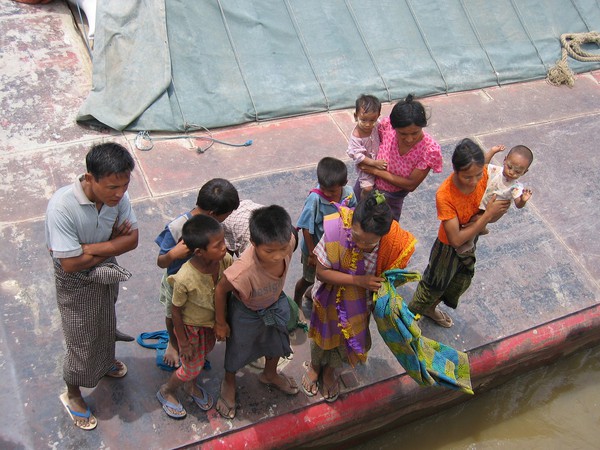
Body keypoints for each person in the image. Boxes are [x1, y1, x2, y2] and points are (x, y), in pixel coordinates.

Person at [45, 142, 138, 430]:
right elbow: (69, 265)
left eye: (124, 185)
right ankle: (73, 394)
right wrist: (111, 244)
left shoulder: (117, 197)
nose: (120, 193)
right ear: (89, 178)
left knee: (106, 319)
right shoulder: (62, 207)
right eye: (112, 187)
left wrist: (89, 248)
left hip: (103, 273)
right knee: (81, 341)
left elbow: (133, 240)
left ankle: (106, 362)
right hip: (75, 284)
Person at [302, 191, 417, 402]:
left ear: (383, 235)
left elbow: (391, 279)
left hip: (360, 306)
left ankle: (330, 372)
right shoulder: (336, 230)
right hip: (329, 296)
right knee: (322, 335)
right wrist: (359, 281)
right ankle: (316, 366)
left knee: (344, 340)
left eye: (369, 243)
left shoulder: (393, 245)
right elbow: (322, 272)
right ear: (351, 223)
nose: (361, 246)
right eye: (356, 237)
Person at [408, 138, 511, 328]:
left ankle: (430, 309)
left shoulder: (484, 176)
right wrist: (487, 216)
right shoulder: (445, 195)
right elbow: (455, 239)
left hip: (471, 238)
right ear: (455, 170)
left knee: (458, 281)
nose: (474, 182)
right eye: (467, 177)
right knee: (433, 285)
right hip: (447, 248)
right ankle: (407, 322)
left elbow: (491, 173)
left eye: (478, 175)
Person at [214, 205, 299, 419]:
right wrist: (221, 322)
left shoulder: (289, 242)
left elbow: (288, 243)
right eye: (269, 251)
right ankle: (229, 381)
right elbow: (220, 290)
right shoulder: (243, 271)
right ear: (254, 243)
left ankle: (269, 374)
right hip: (246, 311)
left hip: (274, 302)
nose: (278, 256)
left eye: (282, 248)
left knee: (277, 340)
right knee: (238, 349)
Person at [155, 178, 239, 368]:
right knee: (173, 314)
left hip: (202, 282)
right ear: (212, 214)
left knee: (198, 314)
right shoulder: (177, 227)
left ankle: (196, 339)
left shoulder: (215, 226)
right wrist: (172, 254)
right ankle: (174, 344)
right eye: (226, 215)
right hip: (176, 282)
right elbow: (161, 262)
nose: (226, 219)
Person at [156, 215, 232, 419]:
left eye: (223, 241)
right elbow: (176, 312)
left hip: (208, 325)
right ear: (199, 252)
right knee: (190, 367)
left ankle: (191, 386)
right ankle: (167, 390)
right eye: (218, 245)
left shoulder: (224, 260)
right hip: (191, 329)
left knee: (204, 352)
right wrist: (183, 342)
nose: (224, 247)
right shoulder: (184, 278)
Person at [358, 94, 443, 220]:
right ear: (394, 128)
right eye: (402, 134)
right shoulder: (387, 127)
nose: (409, 139)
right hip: (366, 184)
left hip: (391, 199)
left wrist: (375, 171)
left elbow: (411, 184)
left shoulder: (429, 150)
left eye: (415, 133)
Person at [293, 157, 357, 311]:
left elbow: (353, 212)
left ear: (344, 182)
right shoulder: (315, 198)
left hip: (335, 246)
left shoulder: (349, 193)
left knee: (328, 277)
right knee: (308, 278)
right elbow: (306, 228)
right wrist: (312, 254)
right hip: (314, 248)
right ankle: (296, 302)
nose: (327, 193)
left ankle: (310, 295)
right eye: (324, 188)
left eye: (332, 190)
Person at [456, 144, 534, 253]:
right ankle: (480, 230)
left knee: (475, 220)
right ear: (505, 160)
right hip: (481, 203)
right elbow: (483, 165)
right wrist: (492, 151)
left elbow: (518, 204)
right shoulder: (495, 170)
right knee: (469, 218)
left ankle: (470, 242)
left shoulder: (516, 187)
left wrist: (523, 200)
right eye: (509, 167)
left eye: (517, 172)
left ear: (524, 172)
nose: (511, 172)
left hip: (493, 212)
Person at [346, 94, 387, 199]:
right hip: (365, 165)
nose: (368, 124)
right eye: (363, 120)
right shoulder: (356, 136)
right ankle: (363, 202)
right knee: (367, 188)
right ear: (356, 116)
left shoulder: (376, 125)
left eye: (372, 120)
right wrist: (375, 163)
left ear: (377, 116)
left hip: (378, 159)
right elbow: (358, 156)